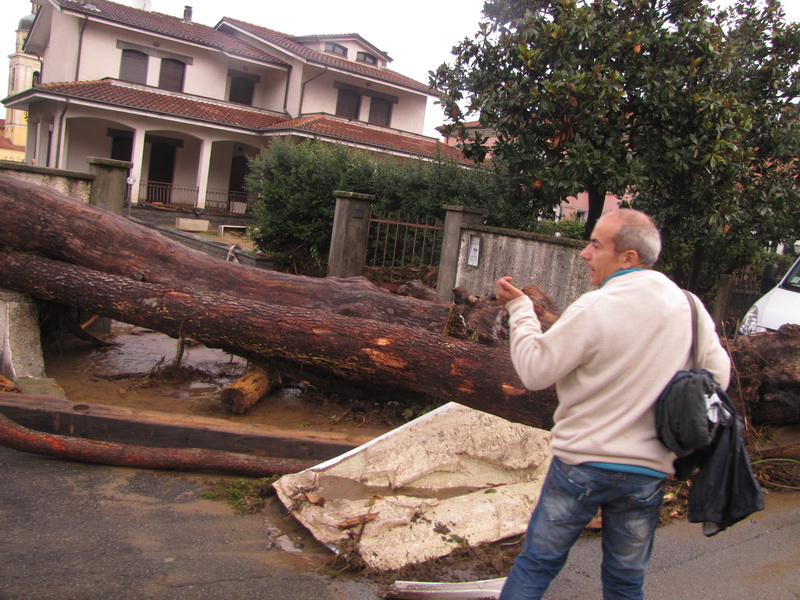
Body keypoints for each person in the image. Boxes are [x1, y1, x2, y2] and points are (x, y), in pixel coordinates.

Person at [496, 209, 731, 600]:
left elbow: (535, 372)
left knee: (536, 567)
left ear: (628, 258)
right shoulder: (689, 307)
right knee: (625, 583)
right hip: (646, 473)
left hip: (580, 467)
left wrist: (521, 311)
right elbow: (717, 377)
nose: (585, 253)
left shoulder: (596, 307)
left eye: (595, 244)